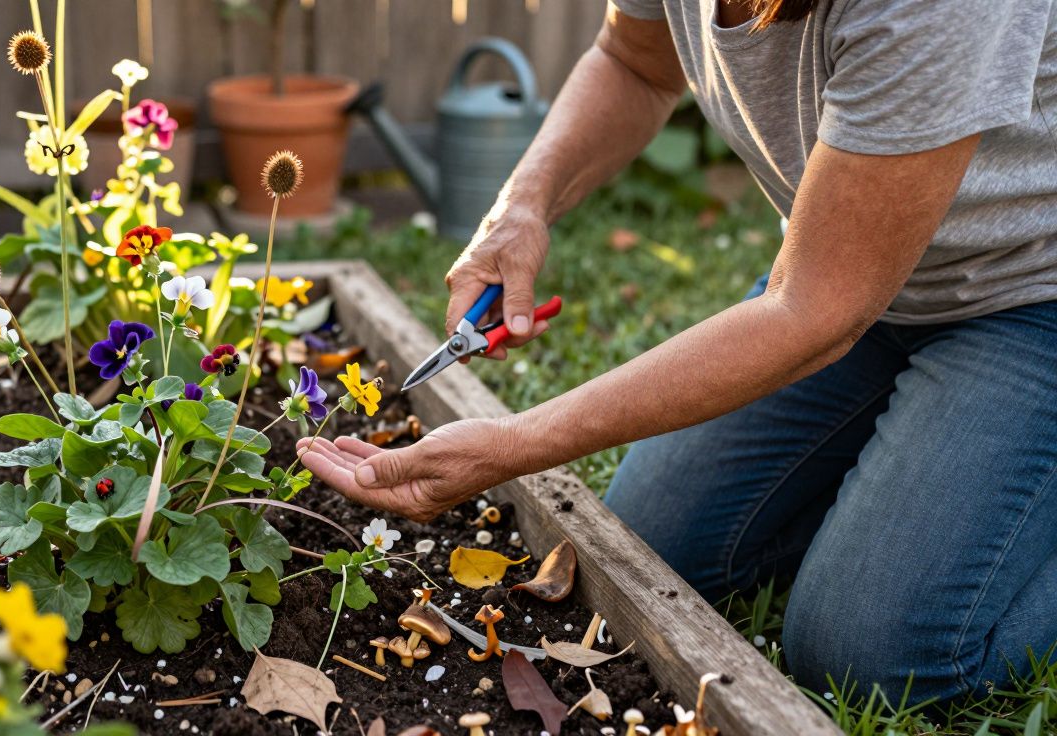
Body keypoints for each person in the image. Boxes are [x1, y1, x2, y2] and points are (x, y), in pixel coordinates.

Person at [298, 0, 1057, 705]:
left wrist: (513, 443)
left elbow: (813, 313)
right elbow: (634, 62)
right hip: (857, 267)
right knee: (652, 545)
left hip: (1030, 296)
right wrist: (520, 206)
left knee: (871, 653)